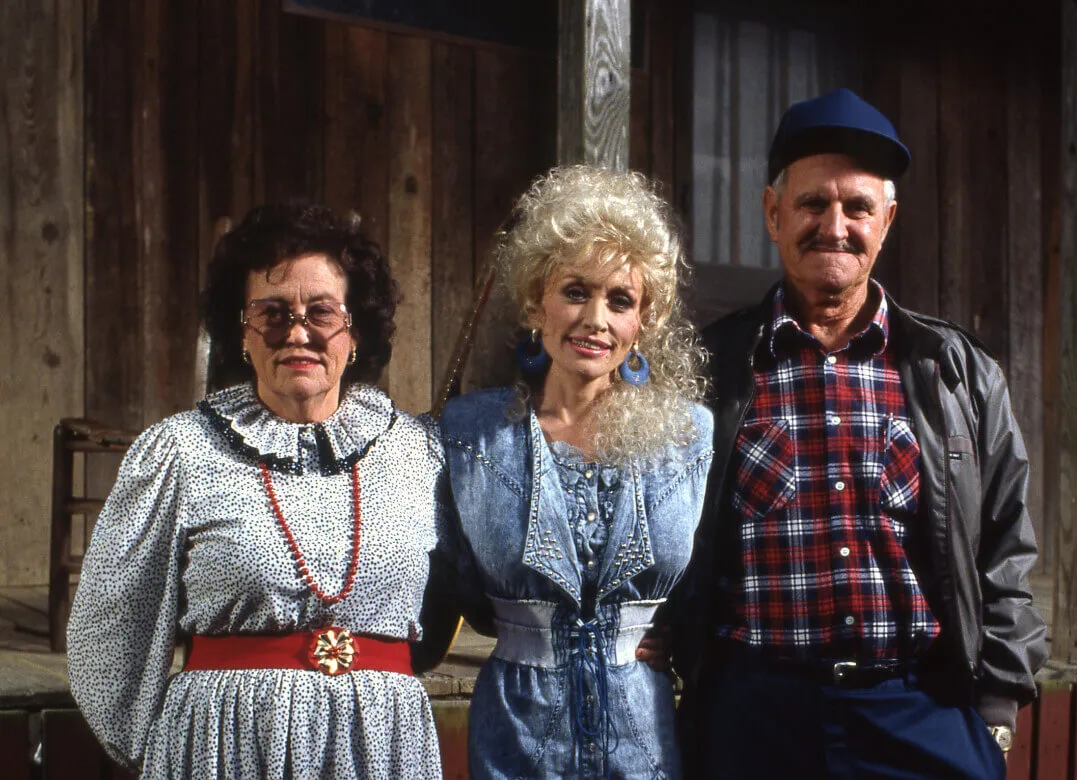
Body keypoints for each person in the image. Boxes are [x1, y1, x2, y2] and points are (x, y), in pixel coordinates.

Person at [670, 89, 1048, 779]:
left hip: (920, 711)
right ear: (773, 213)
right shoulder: (709, 370)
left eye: (858, 207)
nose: (834, 225)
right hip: (756, 719)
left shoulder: (956, 374)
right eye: (813, 203)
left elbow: (1005, 551)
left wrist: (995, 709)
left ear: (888, 221)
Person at [68, 203, 446, 779]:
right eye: (271, 313)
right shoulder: (181, 451)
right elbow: (110, 626)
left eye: (321, 312)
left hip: (382, 744)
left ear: (355, 330)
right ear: (241, 333)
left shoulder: (418, 452)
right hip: (224, 743)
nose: (298, 333)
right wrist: (166, 748)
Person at [437, 165, 713, 779]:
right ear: (537, 300)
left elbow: (709, 584)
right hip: (516, 738)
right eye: (575, 291)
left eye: (620, 300)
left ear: (645, 321)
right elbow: (454, 587)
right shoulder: (471, 435)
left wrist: (667, 636)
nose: (596, 319)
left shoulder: (689, 437)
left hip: (644, 742)